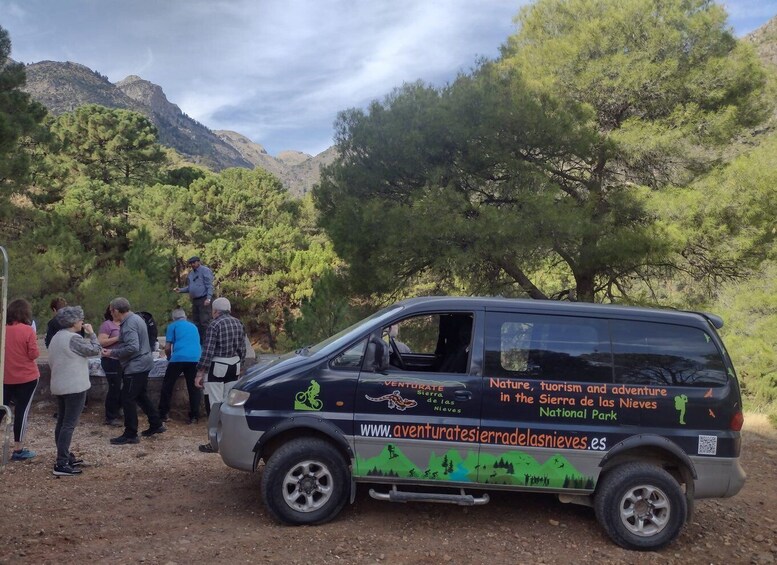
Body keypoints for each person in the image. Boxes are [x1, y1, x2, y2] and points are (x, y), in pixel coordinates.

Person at [101, 297, 165, 445]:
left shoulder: (129, 324)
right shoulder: (137, 318)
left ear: (116, 311)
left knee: (127, 398)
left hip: (136, 365)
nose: (110, 313)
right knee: (140, 395)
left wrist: (111, 353)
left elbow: (132, 347)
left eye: (111, 311)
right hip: (144, 362)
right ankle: (156, 424)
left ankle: (130, 433)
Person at [48, 306, 102, 476]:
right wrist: (92, 334)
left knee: (62, 422)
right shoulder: (73, 338)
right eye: (80, 319)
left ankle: (64, 456)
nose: (82, 322)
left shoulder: (56, 337)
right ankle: (62, 463)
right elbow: (95, 350)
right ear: (73, 322)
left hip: (60, 384)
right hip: (74, 386)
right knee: (68, 424)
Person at [194, 297, 246, 453]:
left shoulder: (214, 324)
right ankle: (231, 439)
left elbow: (208, 351)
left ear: (215, 311)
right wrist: (240, 366)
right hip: (234, 365)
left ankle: (214, 441)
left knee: (215, 404)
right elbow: (242, 348)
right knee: (228, 404)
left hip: (218, 366)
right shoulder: (238, 323)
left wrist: (200, 373)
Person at [2, 298, 40, 461]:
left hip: (5, 377)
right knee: (21, 412)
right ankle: (18, 449)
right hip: (27, 377)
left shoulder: (2, 330)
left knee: (1, 408)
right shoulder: (27, 330)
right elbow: (34, 354)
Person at [158, 308, 202, 425]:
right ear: (185, 317)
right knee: (193, 388)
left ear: (174, 318)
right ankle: (194, 416)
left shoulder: (172, 326)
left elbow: (167, 347)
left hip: (179, 357)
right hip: (195, 358)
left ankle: (163, 413)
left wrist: (169, 358)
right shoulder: (194, 327)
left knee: (168, 385)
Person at [173, 256, 213, 344]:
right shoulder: (191, 274)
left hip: (204, 299)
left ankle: (207, 342)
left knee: (204, 322)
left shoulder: (205, 271)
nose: (192, 265)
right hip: (195, 300)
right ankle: (199, 342)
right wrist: (181, 290)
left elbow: (209, 285)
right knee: (196, 322)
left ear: (199, 262)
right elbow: (191, 287)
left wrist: (208, 298)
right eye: (191, 263)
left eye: (194, 263)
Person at [98, 305, 123, 426]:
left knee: (122, 387)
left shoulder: (126, 324)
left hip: (123, 360)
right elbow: (101, 342)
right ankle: (110, 416)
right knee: (114, 387)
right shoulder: (107, 325)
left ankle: (118, 411)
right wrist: (118, 338)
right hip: (110, 360)